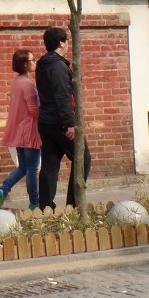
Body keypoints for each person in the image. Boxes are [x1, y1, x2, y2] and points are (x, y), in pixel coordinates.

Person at [36, 27, 91, 211]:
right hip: (59, 122)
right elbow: (62, 96)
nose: (68, 44)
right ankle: (74, 204)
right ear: (61, 42)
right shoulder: (57, 66)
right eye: (66, 40)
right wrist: (70, 123)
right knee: (82, 158)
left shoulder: (43, 63)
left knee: (50, 164)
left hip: (46, 121)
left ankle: (45, 207)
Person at [0, 49, 40, 210]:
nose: (35, 62)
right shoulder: (27, 84)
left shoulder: (16, 82)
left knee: (23, 167)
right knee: (32, 169)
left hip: (18, 132)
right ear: (26, 64)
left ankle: (3, 190)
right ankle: (34, 202)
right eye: (33, 60)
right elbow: (34, 110)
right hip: (29, 131)